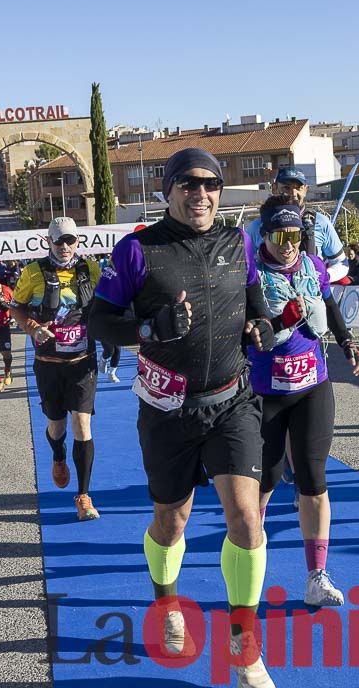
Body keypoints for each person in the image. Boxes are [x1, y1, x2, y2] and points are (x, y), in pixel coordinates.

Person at [89, 147, 279, 688]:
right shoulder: (137, 251)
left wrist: (260, 326)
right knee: (173, 519)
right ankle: (168, 604)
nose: (201, 194)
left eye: (210, 184)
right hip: (167, 407)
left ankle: (244, 645)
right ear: (168, 191)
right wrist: (147, 331)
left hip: (231, 400)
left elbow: (254, 302)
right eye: (188, 184)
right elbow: (98, 322)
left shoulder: (238, 241)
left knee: (247, 517)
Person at [248, 198, 359, 607]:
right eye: (280, 235)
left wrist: (347, 340)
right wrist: (280, 321)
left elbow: (329, 304)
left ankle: (316, 576)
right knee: (262, 485)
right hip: (265, 393)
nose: (288, 244)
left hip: (313, 385)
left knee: (313, 481)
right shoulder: (252, 276)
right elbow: (248, 335)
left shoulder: (313, 266)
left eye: (295, 235)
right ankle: (251, 568)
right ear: (264, 235)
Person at [9, 217, 103, 522]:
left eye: (70, 241)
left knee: (82, 425)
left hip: (82, 362)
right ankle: (58, 454)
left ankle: (84, 495)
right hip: (48, 364)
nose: (64, 247)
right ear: (48, 241)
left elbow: (108, 302)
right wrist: (33, 327)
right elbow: (16, 307)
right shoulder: (33, 272)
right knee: (57, 426)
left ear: (78, 242)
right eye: (58, 241)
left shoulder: (90, 270)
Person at [246, 166, 346, 267]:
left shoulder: (320, 221)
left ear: (306, 190)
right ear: (274, 188)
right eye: (286, 188)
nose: (293, 193)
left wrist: (323, 277)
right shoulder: (257, 226)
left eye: (299, 188)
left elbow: (341, 263)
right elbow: (245, 265)